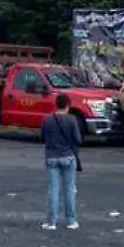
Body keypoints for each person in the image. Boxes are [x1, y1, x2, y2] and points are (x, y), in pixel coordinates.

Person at [40, 94, 83, 230]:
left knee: (53, 190)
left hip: (52, 156)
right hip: (68, 157)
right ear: (68, 106)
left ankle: (51, 222)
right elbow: (78, 140)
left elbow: (42, 138)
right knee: (69, 190)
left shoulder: (48, 120)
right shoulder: (72, 120)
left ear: (56, 104)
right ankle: (71, 221)